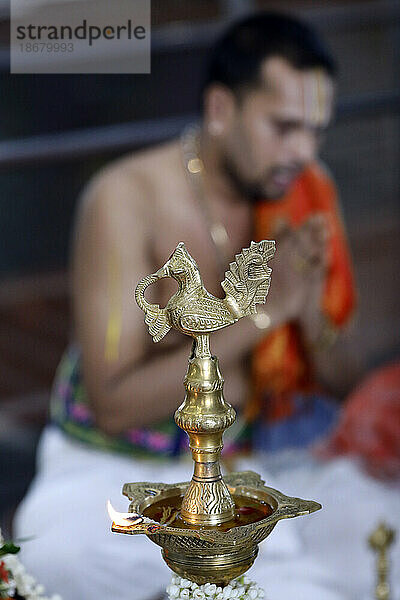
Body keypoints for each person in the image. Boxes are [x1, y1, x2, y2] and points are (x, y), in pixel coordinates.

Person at [14, 12, 381, 600]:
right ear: (220, 110)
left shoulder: (304, 190)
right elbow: (114, 405)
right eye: (284, 127)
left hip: (252, 470)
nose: (303, 151)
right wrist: (264, 312)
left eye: (316, 130)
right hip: (118, 470)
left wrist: (306, 311)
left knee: (381, 534)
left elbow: (343, 382)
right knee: (55, 553)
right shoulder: (126, 197)